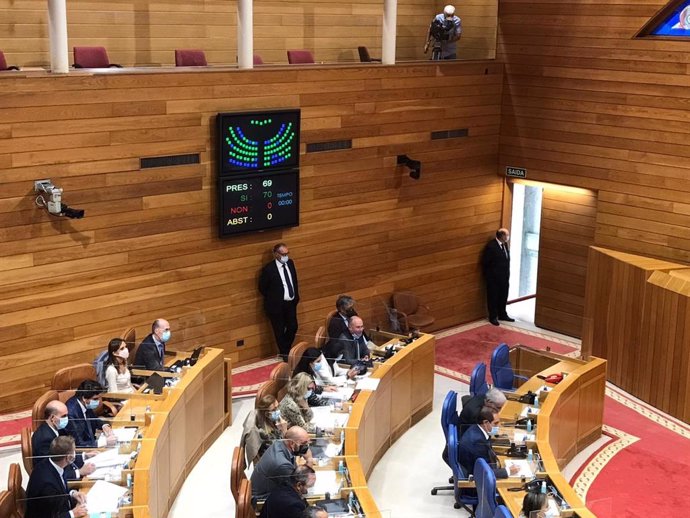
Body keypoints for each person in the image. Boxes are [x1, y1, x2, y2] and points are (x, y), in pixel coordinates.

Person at [25, 435, 88, 518]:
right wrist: (73, 514)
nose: (75, 453)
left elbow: (59, 490)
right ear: (68, 458)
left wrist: (72, 494)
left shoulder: (52, 463)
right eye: (74, 451)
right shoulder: (47, 485)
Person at [31, 400, 96, 481]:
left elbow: (62, 456)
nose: (67, 419)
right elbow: (52, 471)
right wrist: (79, 472)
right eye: (64, 416)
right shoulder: (45, 439)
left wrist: (84, 456)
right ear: (52, 418)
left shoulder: (55, 428)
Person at [259, 242, 300, 360]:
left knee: (293, 326)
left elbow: (294, 281)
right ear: (276, 254)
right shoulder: (268, 269)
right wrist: (274, 297)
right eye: (283, 254)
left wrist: (295, 296)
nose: (286, 256)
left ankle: (285, 349)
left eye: (287, 253)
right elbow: (262, 288)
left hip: (291, 303)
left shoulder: (290, 263)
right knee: (279, 330)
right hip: (276, 305)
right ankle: (284, 353)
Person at [250, 425, 312, 500]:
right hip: (262, 500)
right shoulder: (282, 464)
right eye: (304, 443)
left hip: (267, 490)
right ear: (292, 444)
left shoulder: (280, 444)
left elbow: (295, 471)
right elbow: (302, 489)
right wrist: (309, 459)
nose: (306, 447)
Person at [458, 408, 519, 479]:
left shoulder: (477, 429)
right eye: (495, 423)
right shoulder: (478, 442)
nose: (498, 426)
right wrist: (508, 471)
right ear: (486, 423)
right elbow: (483, 472)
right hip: (476, 479)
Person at [65, 380, 116, 448]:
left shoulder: (84, 404)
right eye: (95, 399)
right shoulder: (71, 414)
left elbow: (94, 419)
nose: (98, 401)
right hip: (83, 451)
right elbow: (78, 443)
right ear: (84, 398)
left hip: (92, 442)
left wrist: (104, 425)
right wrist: (104, 442)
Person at [482, 228, 514, 326]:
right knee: (493, 298)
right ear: (502, 236)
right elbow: (486, 263)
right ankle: (493, 316)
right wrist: (490, 277)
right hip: (494, 279)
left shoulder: (504, 244)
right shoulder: (491, 247)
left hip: (504, 278)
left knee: (503, 296)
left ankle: (502, 314)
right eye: (507, 235)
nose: (508, 237)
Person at [292, 346, 357, 386]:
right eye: (318, 361)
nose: (320, 363)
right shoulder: (302, 375)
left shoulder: (311, 369)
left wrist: (323, 389)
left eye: (320, 360)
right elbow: (310, 392)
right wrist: (347, 376)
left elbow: (315, 387)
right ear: (310, 363)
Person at [255, 394, 288, 462]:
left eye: (278, 406)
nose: (278, 410)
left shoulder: (273, 420)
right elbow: (281, 450)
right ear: (266, 414)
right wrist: (284, 430)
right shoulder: (263, 432)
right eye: (274, 409)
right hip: (273, 461)